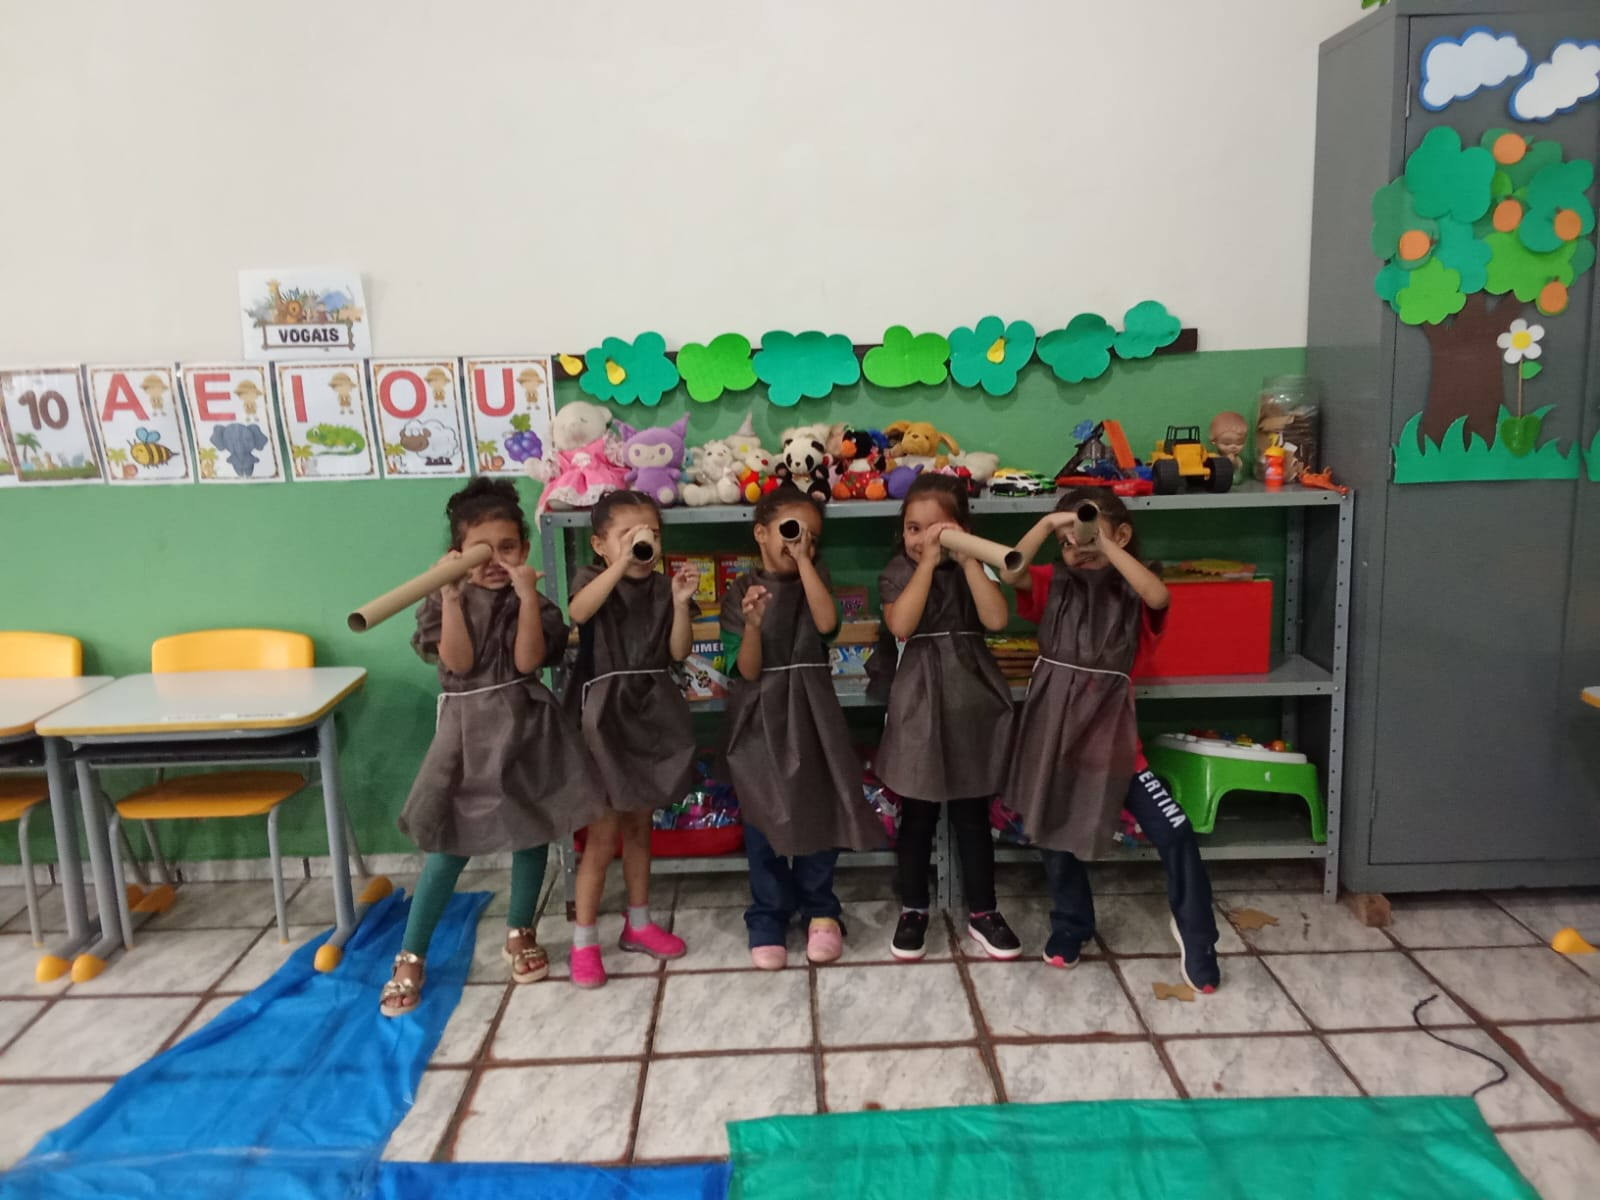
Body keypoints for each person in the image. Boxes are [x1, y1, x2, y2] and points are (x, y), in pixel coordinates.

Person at [383, 478, 599, 1016]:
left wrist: (525, 597)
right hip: (466, 734)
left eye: (507, 548)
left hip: (526, 727)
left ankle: (520, 930)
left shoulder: (535, 604)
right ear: (457, 555)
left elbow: (528, 662)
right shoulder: (442, 600)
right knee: (449, 844)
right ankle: (411, 954)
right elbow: (458, 663)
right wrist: (450, 593)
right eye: (481, 551)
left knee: (531, 831)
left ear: (524, 551)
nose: (495, 561)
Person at [1001, 488, 1221, 991]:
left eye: (1087, 535)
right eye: (1067, 542)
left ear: (1121, 534)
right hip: (1054, 734)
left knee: (1174, 830)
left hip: (1112, 741)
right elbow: (1011, 572)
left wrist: (1103, 544)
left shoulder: (1135, 588)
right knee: (1053, 831)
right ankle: (1071, 924)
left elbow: (1158, 597)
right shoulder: (1053, 581)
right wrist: (1051, 523)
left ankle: (1197, 934)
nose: (1076, 547)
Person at [721, 483, 882, 969]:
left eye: (812, 535)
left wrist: (806, 561)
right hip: (761, 710)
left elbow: (827, 624)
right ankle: (768, 913)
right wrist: (753, 624)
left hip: (812, 707)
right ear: (760, 534)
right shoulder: (740, 591)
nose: (799, 541)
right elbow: (747, 670)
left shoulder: (816, 575)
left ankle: (821, 908)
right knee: (763, 813)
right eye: (790, 531)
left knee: (819, 805)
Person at [872, 474, 1020, 961]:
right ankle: (914, 908)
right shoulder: (897, 571)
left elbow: (996, 619)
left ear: (961, 528)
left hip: (970, 699)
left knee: (972, 815)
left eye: (936, 529)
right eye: (913, 529)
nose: (922, 539)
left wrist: (969, 558)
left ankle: (983, 910)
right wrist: (927, 564)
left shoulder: (974, 566)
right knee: (917, 813)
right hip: (919, 699)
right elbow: (902, 624)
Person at [565, 489, 697, 987]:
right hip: (604, 716)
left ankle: (638, 923)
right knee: (602, 835)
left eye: (653, 534)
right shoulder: (592, 579)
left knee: (641, 824)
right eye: (630, 534)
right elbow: (580, 613)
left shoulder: (664, 587)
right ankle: (584, 940)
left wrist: (680, 604)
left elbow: (678, 652)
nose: (645, 542)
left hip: (650, 710)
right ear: (600, 544)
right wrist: (621, 563)